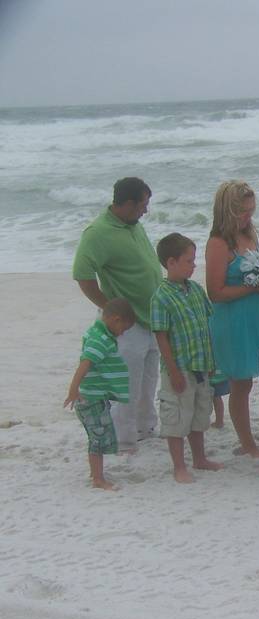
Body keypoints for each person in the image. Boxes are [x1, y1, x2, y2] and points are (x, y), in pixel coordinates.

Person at [72, 177, 162, 452]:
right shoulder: (98, 232)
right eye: (142, 205)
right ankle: (123, 440)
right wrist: (111, 309)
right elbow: (83, 275)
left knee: (149, 379)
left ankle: (145, 428)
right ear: (127, 203)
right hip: (127, 322)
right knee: (127, 384)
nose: (145, 211)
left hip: (152, 317)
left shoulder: (133, 224)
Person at [205, 180, 259, 458]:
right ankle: (247, 443)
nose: (249, 216)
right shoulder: (218, 243)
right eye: (243, 211)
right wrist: (252, 288)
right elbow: (215, 292)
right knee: (241, 383)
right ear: (228, 211)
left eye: (251, 210)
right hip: (233, 320)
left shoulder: (250, 235)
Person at [150, 233, 224, 483]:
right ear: (171, 263)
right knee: (176, 417)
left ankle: (199, 458)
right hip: (179, 367)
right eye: (189, 261)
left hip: (201, 364)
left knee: (199, 414)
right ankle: (178, 466)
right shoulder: (161, 296)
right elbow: (161, 336)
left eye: (194, 261)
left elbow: (207, 325)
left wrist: (212, 361)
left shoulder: (195, 290)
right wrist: (173, 370)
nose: (193, 266)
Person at [63, 298, 137, 490]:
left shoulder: (97, 332)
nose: (122, 334)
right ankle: (97, 478)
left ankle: (95, 472)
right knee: (98, 438)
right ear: (115, 320)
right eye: (124, 329)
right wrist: (73, 390)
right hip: (91, 399)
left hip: (96, 396)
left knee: (98, 435)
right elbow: (85, 362)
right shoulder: (100, 339)